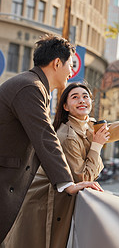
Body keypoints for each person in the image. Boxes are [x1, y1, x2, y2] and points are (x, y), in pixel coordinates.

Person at [4, 82, 119, 248]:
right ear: (65, 107)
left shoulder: (89, 126)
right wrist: (97, 146)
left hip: (55, 202)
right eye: (75, 97)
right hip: (41, 204)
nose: (82, 100)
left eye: (85, 96)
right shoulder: (67, 136)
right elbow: (83, 177)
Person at [0, 35, 102, 245]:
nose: (72, 72)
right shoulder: (30, 87)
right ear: (57, 63)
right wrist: (67, 183)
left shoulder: (33, 86)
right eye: (70, 65)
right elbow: (45, 137)